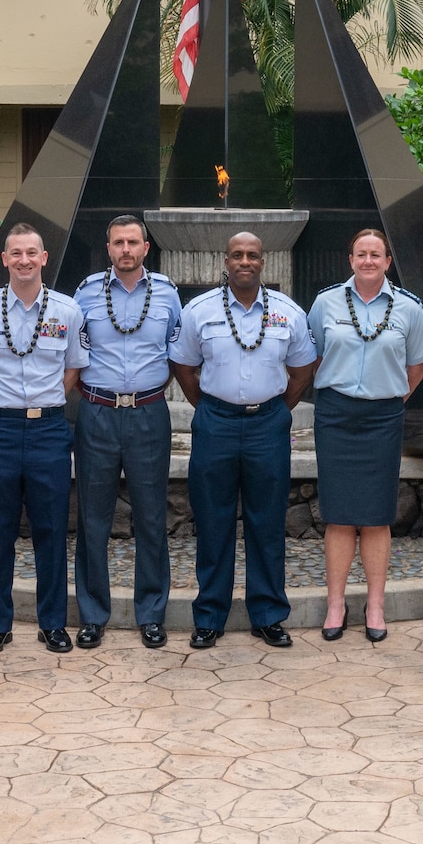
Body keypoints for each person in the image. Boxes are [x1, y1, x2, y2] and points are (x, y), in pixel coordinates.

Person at [170, 232, 318, 649]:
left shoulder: (288, 312)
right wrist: (208, 408)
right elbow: (182, 365)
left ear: (263, 261)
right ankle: (210, 616)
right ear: (226, 261)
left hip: (268, 424)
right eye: (237, 255)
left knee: (267, 522)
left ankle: (268, 614)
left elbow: (303, 371)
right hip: (215, 421)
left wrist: (276, 413)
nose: (245, 261)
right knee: (213, 521)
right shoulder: (199, 310)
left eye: (253, 254)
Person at [0, 223, 88, 656]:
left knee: (51, 529)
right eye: (17, 253)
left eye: (32, 252)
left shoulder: (67, 311)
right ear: (5, 259)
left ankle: (52, 623)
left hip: (49, 430)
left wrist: (42, 405)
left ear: (44, 258)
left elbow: (73, 370)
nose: (25, 260)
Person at [307, 228, 423, 644]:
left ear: (387, 261)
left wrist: (393, 397)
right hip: (336, 416)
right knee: (339, 513)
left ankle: (376, 605)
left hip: (383, 417)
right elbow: (314, 358)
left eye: (375, 254)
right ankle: (336, 604)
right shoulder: (325, 303)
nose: (367, 261)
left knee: (378, 514)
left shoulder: (409, 308)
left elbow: (416, 366)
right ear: (350, 260)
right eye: (360, 253)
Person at [71, 216, 182, 650]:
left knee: (152, 517)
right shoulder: (85, 293)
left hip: (149, 414)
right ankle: (93, 614)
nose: (125, 250)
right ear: (108, 246)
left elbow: (180, 354)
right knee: (93, 517)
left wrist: (150, 391)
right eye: (118, 242)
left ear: (146, 247)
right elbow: (74, 354)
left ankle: (151, 613)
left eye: (132, 242)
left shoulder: (169, 295)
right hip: (97, 413)